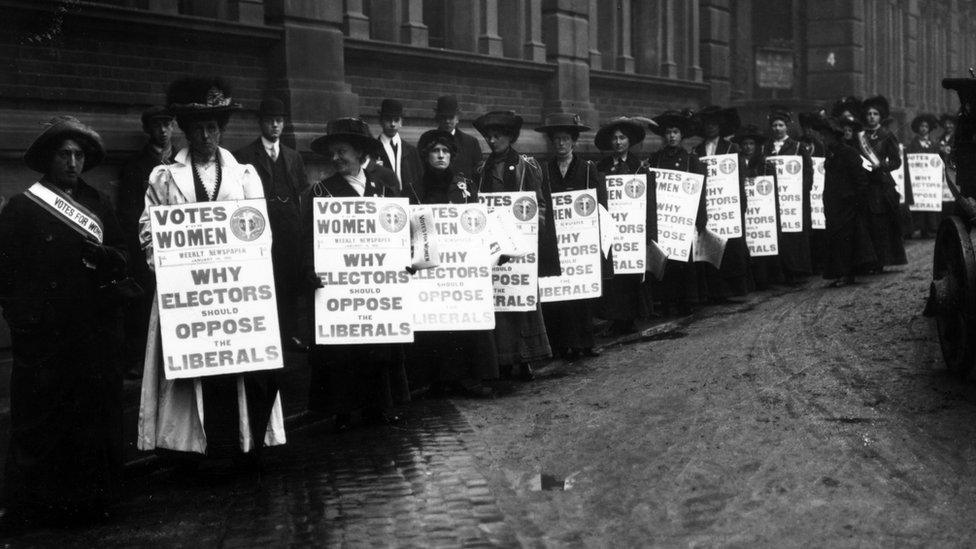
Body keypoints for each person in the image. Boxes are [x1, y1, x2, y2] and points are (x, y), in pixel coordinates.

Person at [137, 77, 286, 466]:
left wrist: (248, 266)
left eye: (214, 128)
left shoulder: (244, 176)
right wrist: (168, 266)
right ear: (185, 132)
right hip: (190, 296)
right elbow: (149, 229)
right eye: (199, 129)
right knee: (194, 373)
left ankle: (240, 443)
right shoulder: (165, 178)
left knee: (239, 369)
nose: (207, 136)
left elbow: (258, 230)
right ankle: (195, 450)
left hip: (232, 294)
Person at [0, 116, 127, 528]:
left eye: (79, 155)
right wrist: (22, 317)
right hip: (46, 336)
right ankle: (39, 506)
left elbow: (125, 258)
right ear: (47, 160)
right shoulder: (23, 207)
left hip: (91, 333)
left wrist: (111, 259)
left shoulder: (99, 203)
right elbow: (5, 272)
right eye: (64, 154)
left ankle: (94, 501)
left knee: (92, 421)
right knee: (41, 421)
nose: (73, 162)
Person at [303, 117, 410, 426]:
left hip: (375, 287)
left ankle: (378, 405)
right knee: (343, 352)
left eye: (343, 152)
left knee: (377, 346)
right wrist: (310, 268)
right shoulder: (321, 194)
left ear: (361, 153)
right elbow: (307, 238)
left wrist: (404, 260)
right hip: (339, 289)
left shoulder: (384, 191)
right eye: (333, 153)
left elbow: (402, 235)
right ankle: (343, 410)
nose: (337, 159)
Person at [406, 129, 498, 397]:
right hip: (430, 269)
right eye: (435, 151)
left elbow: (478, 223)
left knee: (462, 320)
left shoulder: (465, 187)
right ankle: (438, 378)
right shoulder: (414, 188)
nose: (441, 156)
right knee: (435, 324)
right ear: (426, 155)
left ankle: (468, 378)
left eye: (445, 151)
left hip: (460, 268)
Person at [470, 110, 560, 380]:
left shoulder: (526, 166)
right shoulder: (482, 170)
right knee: (500, 302)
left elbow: (539, 204)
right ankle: (504, 360)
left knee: (522, 302)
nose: (492, 140)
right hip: (494, 247)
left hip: (521, 247)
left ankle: (526, 359)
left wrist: (532, 232)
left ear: (509, 137)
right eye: (489, 136)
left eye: (497, 135)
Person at [234, 97, 310, 351]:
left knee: (288, 283)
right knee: (264, 281)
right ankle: (266, 335)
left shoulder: (293, 156)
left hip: (289, 231)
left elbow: (302, 192)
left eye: (279, 121)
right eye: (270, 121)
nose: (275, 126)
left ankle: (289, 334)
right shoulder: (244, 156)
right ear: (261, 123)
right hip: (261, 229)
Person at [535, 113, 604, 359]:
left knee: (581, 292)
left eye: (565, 139)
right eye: (557, 140)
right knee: (558, 291)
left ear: (573, 142)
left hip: (580, 242)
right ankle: (561, 344)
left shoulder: (587, 169)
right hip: (555, 240)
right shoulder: (544, 169)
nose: (561, 144)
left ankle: (584, 342)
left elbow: (599, 204)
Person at [118, 106, 176, 378]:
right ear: (147, 130)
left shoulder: (182, 161)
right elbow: (129, 213)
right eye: (156, 125)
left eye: (167, 124)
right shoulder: (134, 166)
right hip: (149, 248)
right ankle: (143, 360)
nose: (162, 131)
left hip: (180, 247)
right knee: (145, 305)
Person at [649, 109, 707, 314]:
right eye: (668, 132)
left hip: (683, 220)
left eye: (675, 132)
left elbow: (700, 192)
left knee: (683, 260)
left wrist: (700, 220)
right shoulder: (655, 160)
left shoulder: (691, 160)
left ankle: (686, 301)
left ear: (682, 135)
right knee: (665, 260)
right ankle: (665, 301)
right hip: (663, 218)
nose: (671, 136)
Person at [594, 117, 648, 333]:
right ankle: (615, 318)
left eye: (622, 138)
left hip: (631, 230)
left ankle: (631, 318)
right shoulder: (602, 167)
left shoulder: (639, 166)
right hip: (611, 227)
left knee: (631, 274)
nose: (618, 142)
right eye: (614, 138)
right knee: (613, 275)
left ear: (629, 141)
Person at [691, 106, 751, 300]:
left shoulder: (731, 148)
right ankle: (712, 290)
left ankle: (731, 289)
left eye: (714, 124)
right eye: (707, 124)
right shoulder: (697, 150)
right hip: (706, 204)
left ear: (721, 126)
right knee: (708, 246)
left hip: (726, 205)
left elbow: (739, 177)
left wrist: (741, 203)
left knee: (730, 248)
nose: (710, 127)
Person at [813, 114, 877, 285]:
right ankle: (838, 273)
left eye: (825, 135)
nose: (822, 138)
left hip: (848, 204)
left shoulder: (849, 153)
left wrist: (856, 201)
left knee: (847, 240)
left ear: (834, 136)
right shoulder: (831, 154)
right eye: (821, 135)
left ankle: (847, 274)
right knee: (836, 239)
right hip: (834, 205)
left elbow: (861, 180)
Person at [761, 108, 813, 283]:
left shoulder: (798, 147)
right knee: (776, 233)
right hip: (772, 198)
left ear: (787, 127)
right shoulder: (765, 147)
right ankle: (778, 272)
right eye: (774, 125)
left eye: (780, 125)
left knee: (793, 235)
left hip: (793, 200)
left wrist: (800, 191)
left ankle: (796, 271)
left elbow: (808, 172)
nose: (777, 128)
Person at [858, 95, 907, 271]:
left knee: (880, 224)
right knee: (866, 222)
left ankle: (881, 260)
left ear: (880, 116)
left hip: (881, 185)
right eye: (869, 114)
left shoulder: (887, 135)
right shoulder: (860, 136)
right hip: (864, 183)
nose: (871, 116)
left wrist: (882, 166)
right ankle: (867, 261)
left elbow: (896, 161)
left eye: (875, 114)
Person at [733, 124, 783, 290]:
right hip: (743, 207)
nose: (748, 147)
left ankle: (763, 278)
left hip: (759, 210)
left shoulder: (764, 164)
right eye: (745, 144)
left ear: (756, 146)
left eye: (751, 144)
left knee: (760, 240)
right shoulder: (736, 162)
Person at [375, 98, 424, 201]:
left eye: (396, 120)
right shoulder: (373, 150)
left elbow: (419, 180)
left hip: (409, 201)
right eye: (388, 119)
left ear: (401, 122)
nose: (393, 124)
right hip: (384, 202)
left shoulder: (411, 151)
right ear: (380, 121)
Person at [905, 113, 941, 238]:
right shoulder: (911, 145)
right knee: (918, 202)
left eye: (926, 126)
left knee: (930, 201)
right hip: (917, 180)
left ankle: (932, 228)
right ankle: (918, 228)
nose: (923, 128)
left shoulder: (935, 145)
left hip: (931, 179)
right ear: (917, 128)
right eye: (921, 126)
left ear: (929, 128)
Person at [432, 95, 483, 179]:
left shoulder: (470, 143)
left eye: (451, 117)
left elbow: (477, 174)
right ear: (438, 118)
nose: (447, 121)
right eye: (444, 117)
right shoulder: (428, 141)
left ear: (457, 118)